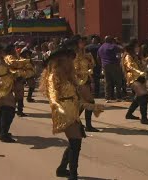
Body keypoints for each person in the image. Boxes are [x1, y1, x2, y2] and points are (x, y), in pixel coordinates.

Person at [40, 45, 104, 179]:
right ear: (60, 60)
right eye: (68, 59)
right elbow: (53, 99)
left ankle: (62, 169)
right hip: (62, 112)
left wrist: (92, 107)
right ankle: (73, 174)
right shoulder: (53, 76)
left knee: (74, 142)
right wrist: (63, 112)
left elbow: (76, 99)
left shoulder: (69, 76)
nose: (71, 61)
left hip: (72, 110)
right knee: (75, 142)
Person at [122, 39, 148, 125]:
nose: (138, 48)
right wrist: (140, 72)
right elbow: (130, 67)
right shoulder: (128, 56)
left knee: (139, 96)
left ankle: (129, 114)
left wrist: (147, 59)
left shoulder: (135, 56)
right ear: (132, 47)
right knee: (143, 95)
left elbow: (141, 65)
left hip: (140, 77)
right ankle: (144, 118)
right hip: (133, 78)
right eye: (137, 46)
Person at [73, 35, 100, 132]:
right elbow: (74, 70)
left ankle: (74, 121)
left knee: (84, 102)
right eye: (81, 42)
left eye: (84, 41)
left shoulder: (86, 54)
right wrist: (87, 72)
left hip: (87, 79)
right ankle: (86, 125)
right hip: (79, 81)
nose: (83, 43)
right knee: (90, 102)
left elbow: (92, 65)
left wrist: (90, 62)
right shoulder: (73, 55)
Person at [4, 45, 35, 117]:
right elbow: (14, 63)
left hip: (17, 78)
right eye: (13, 49)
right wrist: (26, 61)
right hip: (15, 78)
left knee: (18, 95)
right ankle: (19, 111)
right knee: (19, 95)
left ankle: (16, 109)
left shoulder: (14, 57)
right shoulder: (9, 57)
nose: (15, 50)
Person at [98, 36, 123, 102]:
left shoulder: (101, 47)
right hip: (113, 64)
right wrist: (117, 43)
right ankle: (118, 96)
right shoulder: (112, 46)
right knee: (117, 81)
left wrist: (101, 65)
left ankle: (108, 97)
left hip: (105, 66)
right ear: (111, 40)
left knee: (107, 81)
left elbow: (98, 57)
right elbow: (121, 49)